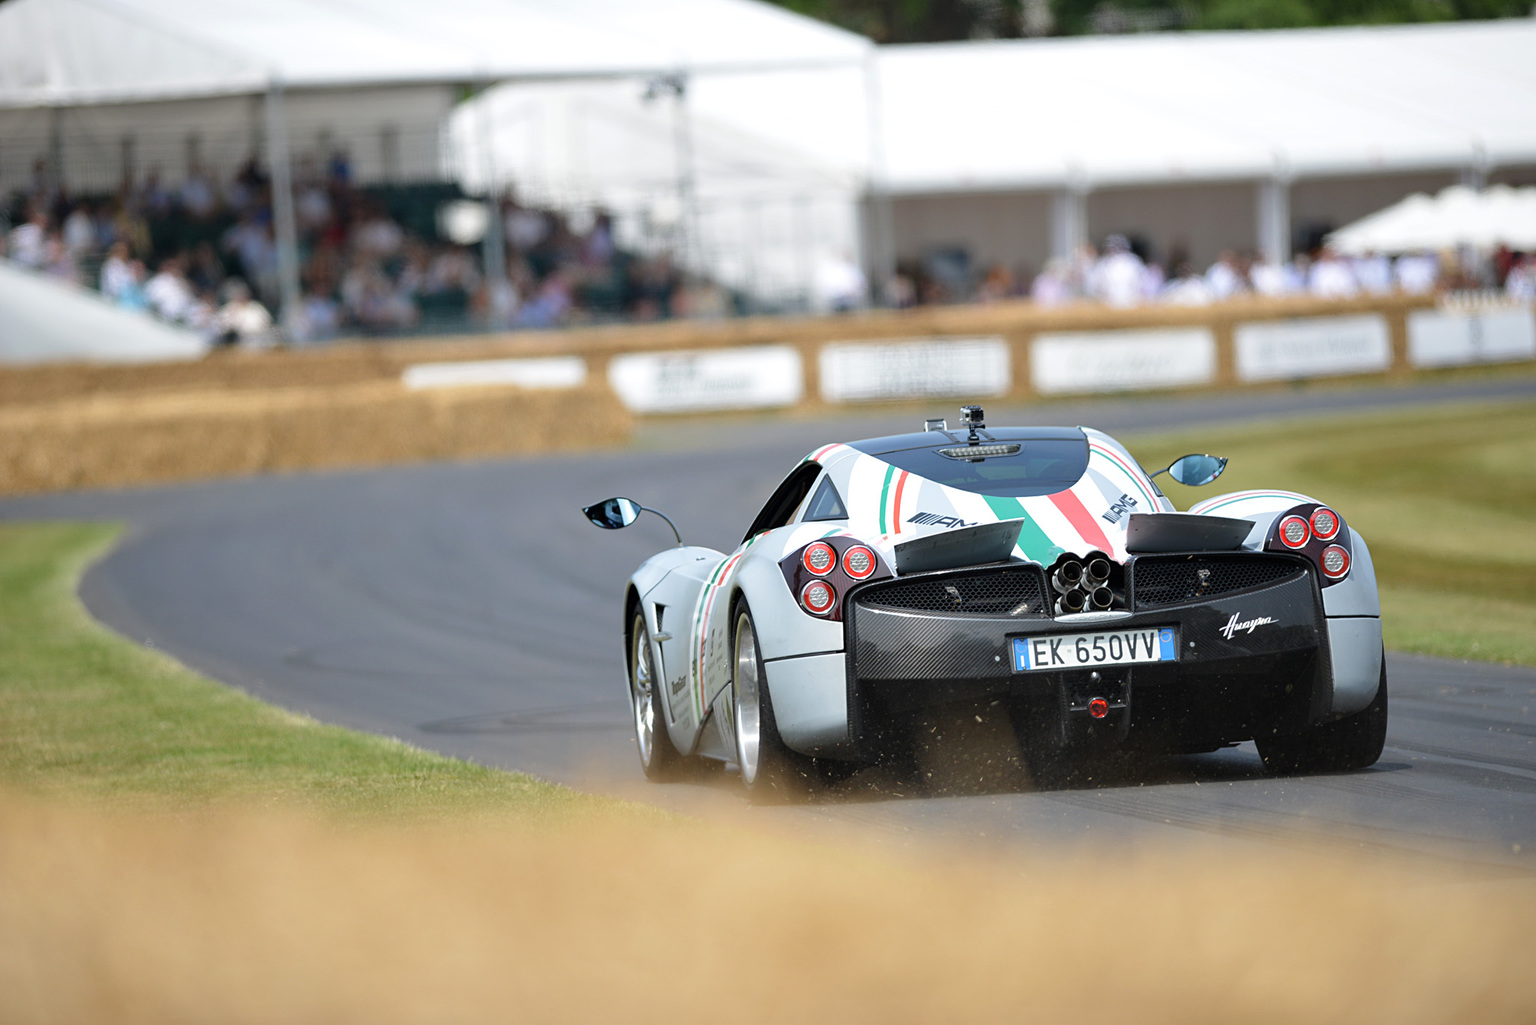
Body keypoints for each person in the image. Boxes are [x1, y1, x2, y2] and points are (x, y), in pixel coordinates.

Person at [1089, 235, 1145, 307]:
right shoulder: (1102, 264)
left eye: (1119, 247)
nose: (1116, 250)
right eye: (1113, 247)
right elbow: (1095, 285)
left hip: (1131, 305)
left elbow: (1142, 284)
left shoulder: (1134, 263)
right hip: (1107, 306)